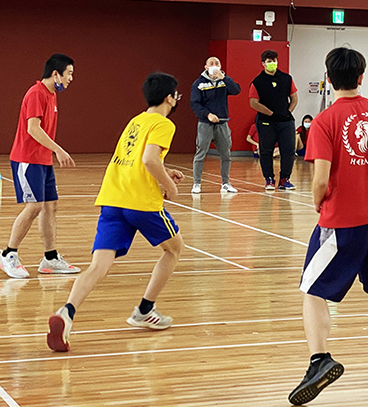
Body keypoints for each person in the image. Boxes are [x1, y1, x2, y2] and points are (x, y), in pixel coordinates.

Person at [290, 47, 368, 406]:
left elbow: (320, 179)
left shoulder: (325, 121)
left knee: (312, 289)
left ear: (328, 79)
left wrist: (317, 201)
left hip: (342, 223)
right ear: (361, 77)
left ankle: (319, 360)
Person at [47, 73, 185, 352]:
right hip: (140, 202)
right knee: (174, 249)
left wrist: (164, 171)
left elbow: (135, 160)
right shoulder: (163, 123)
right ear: (170, 98)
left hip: (113, 198)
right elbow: (148, 159)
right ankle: (145, 310)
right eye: (177, 94)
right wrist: (169, 186)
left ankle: (67, 312)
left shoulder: (136, 121)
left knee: (98, 266)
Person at [1, 54, 80, 280]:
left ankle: (50, 258)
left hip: (42, 160)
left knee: (50, 206)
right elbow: (33, 129)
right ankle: (8, 254)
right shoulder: (36, 93)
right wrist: (58, 150)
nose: (71, 78)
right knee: (34, 206)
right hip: (27, 160)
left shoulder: (51, 95)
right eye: (69, 73)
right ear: (55, 74)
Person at [190, 56, 241, 194]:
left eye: (217, 63)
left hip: (222, 123)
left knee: (226, 154)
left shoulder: (224, 81)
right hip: (205, 124)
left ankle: (226, 183)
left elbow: (236, 90)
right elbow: (194, 104)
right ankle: (196, 183)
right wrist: (207, 115)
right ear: (206, 67)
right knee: (201, 153)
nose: (214, 65)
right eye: (211, 63)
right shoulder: (199, 84)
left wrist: (224, 78)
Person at [249, 50, 298, 191]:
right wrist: (271, 113)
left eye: (274, 61)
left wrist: (287, 112)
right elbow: (253, 103)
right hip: (266, 122)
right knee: (266, 150)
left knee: (288, 150)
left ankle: (285, 179)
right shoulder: (257, 82)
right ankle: (269, 179)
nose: (272, 63)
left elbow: (294, 98)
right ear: (263, 63)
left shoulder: (286, 78)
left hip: (286, 121)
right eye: (269, 61)